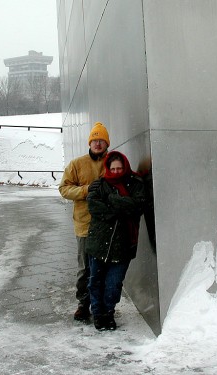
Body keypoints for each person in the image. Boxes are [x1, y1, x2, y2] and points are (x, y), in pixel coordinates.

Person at [85, 151, 146, 330]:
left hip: (124, 244)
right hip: (98, 243)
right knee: (95, 281)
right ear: (108, 168)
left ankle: (108, 313)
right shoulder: (98, 184)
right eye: (113, 168)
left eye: (120, 168)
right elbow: (94, 207)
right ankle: (98, 314)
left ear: (125, 166)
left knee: (113, 284)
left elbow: (138, 206)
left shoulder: (135, 184)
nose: (117, 171)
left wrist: (111, 199)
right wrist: (121, 207)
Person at [59, 122, 110, 321]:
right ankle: (83, 303)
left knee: (104, 267)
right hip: (85, 225)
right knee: (85, 268)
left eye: (101, 140)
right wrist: (86, 190)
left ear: (107, 143)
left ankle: (103, 304)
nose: (98, 144)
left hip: (108, 225)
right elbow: (64, 189)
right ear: (90, 142)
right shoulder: (77, 164)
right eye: (95, 140)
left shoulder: (113, 162)